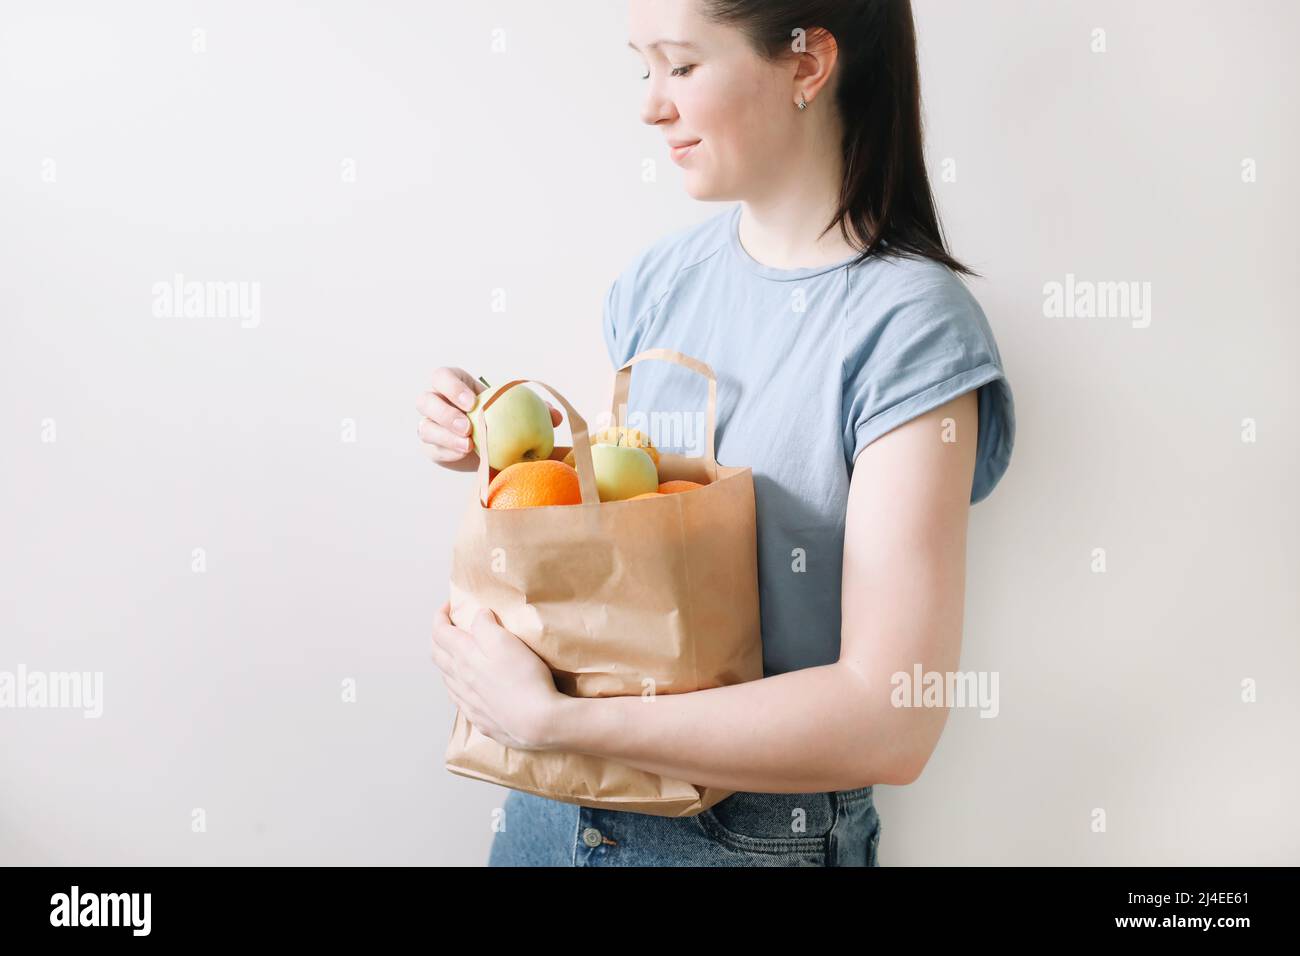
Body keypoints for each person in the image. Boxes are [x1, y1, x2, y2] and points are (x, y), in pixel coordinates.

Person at [416, 0, 1015, 866]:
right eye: (644, 67)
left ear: (808, 66)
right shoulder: (657, 284)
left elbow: (892, 718)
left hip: (745, 836)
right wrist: (506, 445)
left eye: (683, 66)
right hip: (552, 810)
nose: (651, 106)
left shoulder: (910, 329)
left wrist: (553, 718)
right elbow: (633, 550)